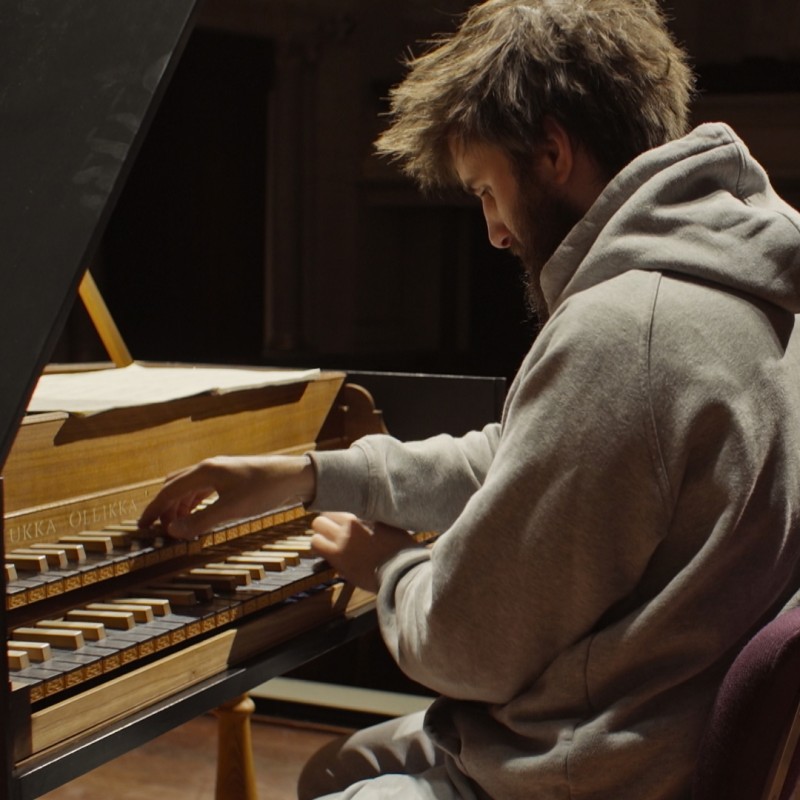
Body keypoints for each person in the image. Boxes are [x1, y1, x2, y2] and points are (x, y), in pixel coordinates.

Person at [139, 0, 800, 797]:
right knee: (336, 764)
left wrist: (391, 568)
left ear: (552, 151)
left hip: (596, 774)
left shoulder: (629, 330)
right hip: (660, 731)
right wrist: (314, 476)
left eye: (488, 190)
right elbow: (529, 454)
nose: (493, 230)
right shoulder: (743, 278)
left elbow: (466, 649)